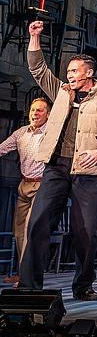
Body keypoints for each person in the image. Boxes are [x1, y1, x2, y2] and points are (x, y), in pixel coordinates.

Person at [20, 20, 97, 301]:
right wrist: (34, 37)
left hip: (87, 171)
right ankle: (29, 287)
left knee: (87, 231)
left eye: (75, 71)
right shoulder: (61, 91)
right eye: (68, 71)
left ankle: (83, 286)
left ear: (89, 73)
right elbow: (38, 69)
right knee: (38, 221)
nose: (70, 75)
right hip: (56, 167)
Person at [0, 97, 50, 285]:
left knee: (30, 230)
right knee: (19, 231)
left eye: (40, 110)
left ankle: (29, 277)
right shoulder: (21, 133)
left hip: (41, 185)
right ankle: (23, 273)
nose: (35, 114)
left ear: (48, 114)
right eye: (33, 110)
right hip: (24, 185)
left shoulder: (50, 133)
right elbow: (3, 148)